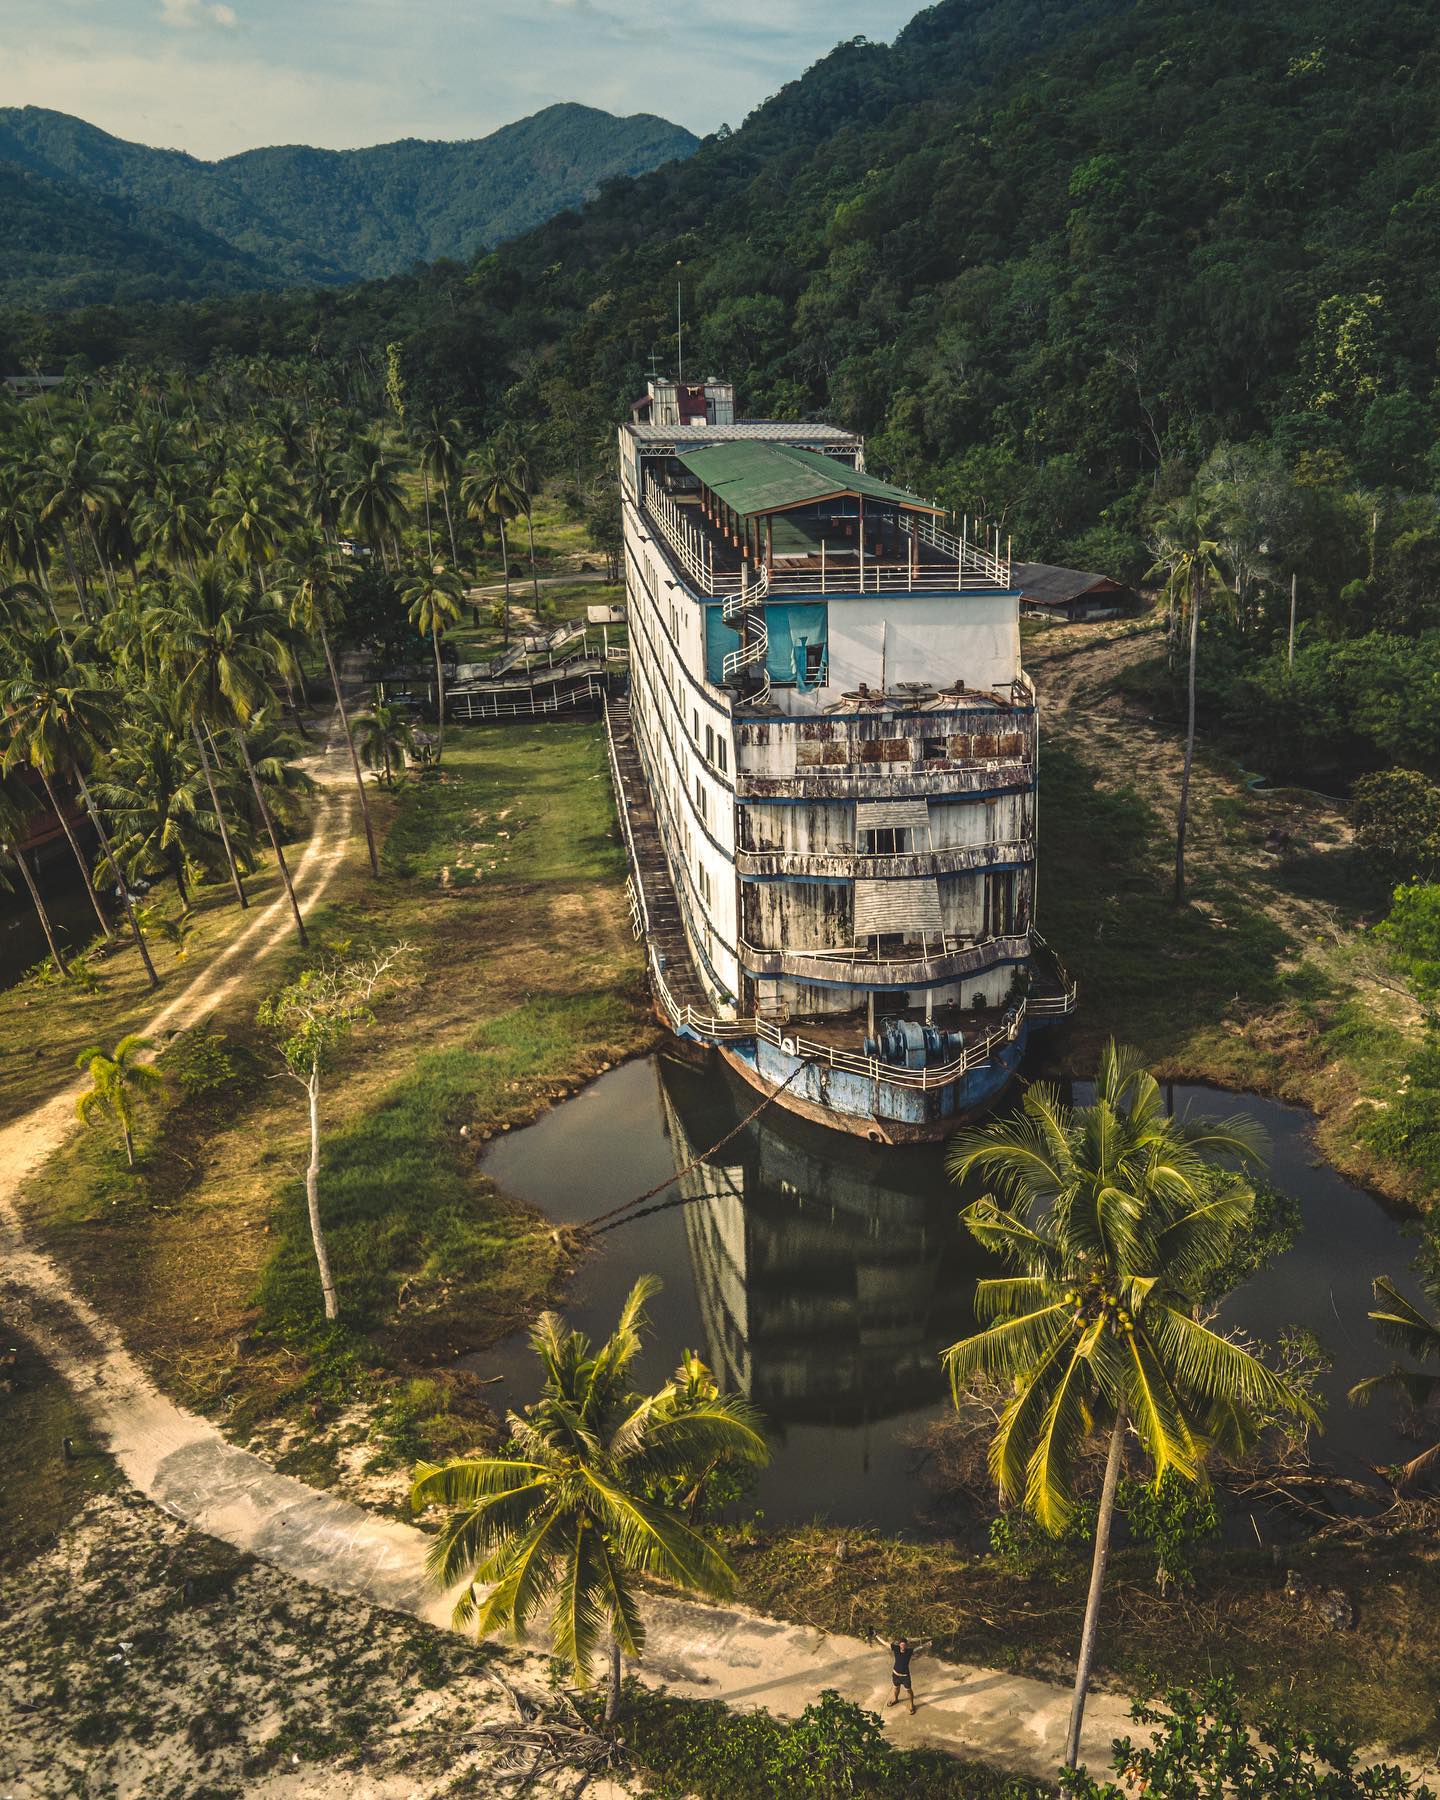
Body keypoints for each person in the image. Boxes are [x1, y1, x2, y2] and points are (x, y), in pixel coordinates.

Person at [888, 1635, 924, 1714]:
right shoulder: (896, 1649)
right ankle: (895, 1699)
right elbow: (885, 1644)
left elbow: (918, 1648)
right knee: (896, 1688)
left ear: (906, 1645)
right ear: (899, 1645)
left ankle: (911, 1705)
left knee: (909, 1690)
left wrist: (926, 1645)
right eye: (901, 1644)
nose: (903, 1646)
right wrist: (876, 1635)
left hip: (905, 1676)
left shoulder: (909, 1651)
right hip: (895, 1674)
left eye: (904, 1644)